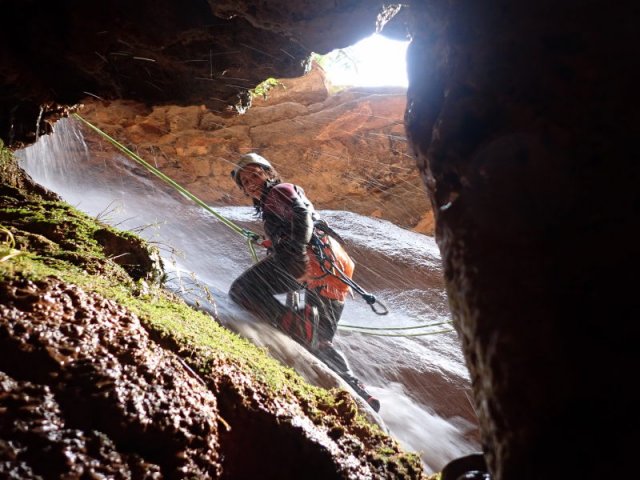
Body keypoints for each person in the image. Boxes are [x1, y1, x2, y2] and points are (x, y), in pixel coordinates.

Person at [228, 152, 380, 412]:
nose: (251, 182)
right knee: (319, 342)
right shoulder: (277, 200)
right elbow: (298, 224)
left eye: (255, 174)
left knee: (242, 291)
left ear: (269, 173)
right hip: (332, 272)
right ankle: (360, 392)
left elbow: (301, 213)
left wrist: (297, 251)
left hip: (308, 262)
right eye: (245, 180)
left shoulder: (279, 191)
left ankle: (299, 317)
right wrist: (268, 242)